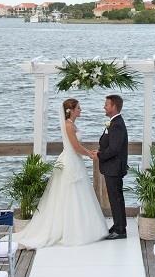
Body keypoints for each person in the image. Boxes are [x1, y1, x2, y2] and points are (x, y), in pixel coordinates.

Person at [13, 98, 109, 248]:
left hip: (74, 159)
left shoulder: (72, 124)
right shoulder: (69, 126)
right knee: (70, 192)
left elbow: (77, 147)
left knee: (77, 192)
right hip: (71, 160)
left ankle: (78, 226)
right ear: (71, 110)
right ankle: (71, 230)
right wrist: (90, 154)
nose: (81, 110)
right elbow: (75, 147)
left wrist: (88, 152)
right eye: (78, 108)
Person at [97, 94, 129, 239]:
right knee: (116, 198)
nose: (104, 106)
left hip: (114, 168)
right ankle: (118, 225)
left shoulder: (116, 124)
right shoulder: (114, 122)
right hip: (112, 167)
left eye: (107, 104)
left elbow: (114, 149)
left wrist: (99, 155)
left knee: (116, 198)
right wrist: (100, 152)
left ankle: (120, 230)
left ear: (114, 106)